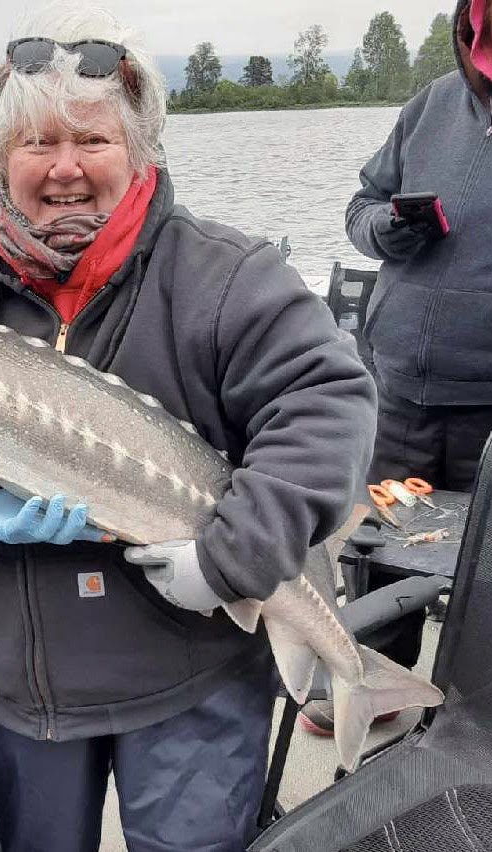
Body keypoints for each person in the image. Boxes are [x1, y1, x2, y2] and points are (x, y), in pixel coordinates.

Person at [0, 7, 377, 851]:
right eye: (36, 144)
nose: (64, 169)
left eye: (91, 141)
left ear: (139, 152)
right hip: (21, 690)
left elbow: (326, 406)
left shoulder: (226, 276)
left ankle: (357, 678)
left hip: (189, 674)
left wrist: (229, 557)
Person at [302, 0, 492, 738]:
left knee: (484, 567)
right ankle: (371, 687)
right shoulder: (431, 106)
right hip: (399, 386)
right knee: (384, 544)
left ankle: (471, 714)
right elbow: (361, 203)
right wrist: (384, 227)